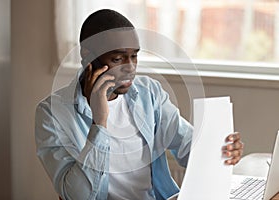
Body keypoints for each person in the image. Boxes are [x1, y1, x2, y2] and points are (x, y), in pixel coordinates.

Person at [35, 9, 244, 200]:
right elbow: (77, 196)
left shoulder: (148, 93)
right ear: (88, 57)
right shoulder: (51, 114)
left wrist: (220, 150)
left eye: (134, 56)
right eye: (118, 58)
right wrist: (99, 122)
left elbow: (186, 144)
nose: (130, 67)